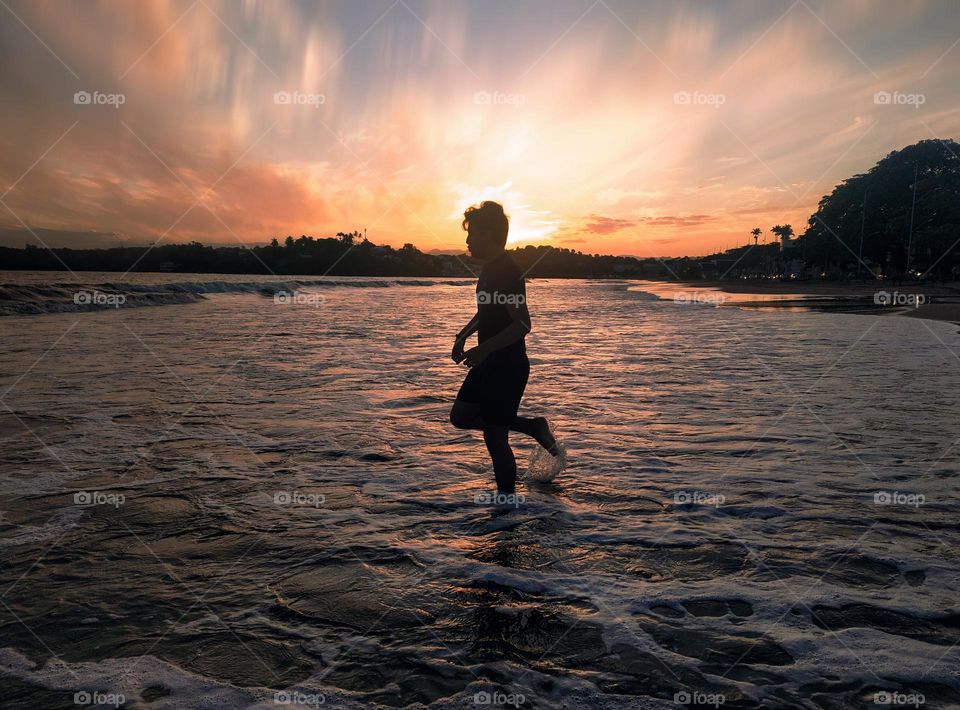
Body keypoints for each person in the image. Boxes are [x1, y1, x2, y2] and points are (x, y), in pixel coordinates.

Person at [449, 201, 560, 495]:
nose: (468, 241)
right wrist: (463, 335)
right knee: (460, 417)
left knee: (495, 439)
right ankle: (532, 427)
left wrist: (484, 349)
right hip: (489, 363)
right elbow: (486, 311)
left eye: (472, 234)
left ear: (488, 235)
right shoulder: (489, 270)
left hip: (507, 365)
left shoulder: (507, 272)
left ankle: (506, 512)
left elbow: (522, 324)